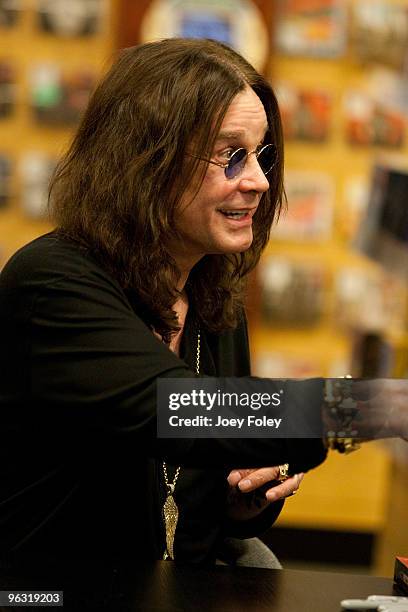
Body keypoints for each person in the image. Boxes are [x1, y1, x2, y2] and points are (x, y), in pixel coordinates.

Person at [0, 38, 403, 571]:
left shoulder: (211, 294)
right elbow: (176, 410)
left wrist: (241, 503)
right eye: (230, 155)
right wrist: (370, 406)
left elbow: (207, 477)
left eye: (262, 155)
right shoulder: (51, 283)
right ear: (147, 161)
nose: (259, 181)